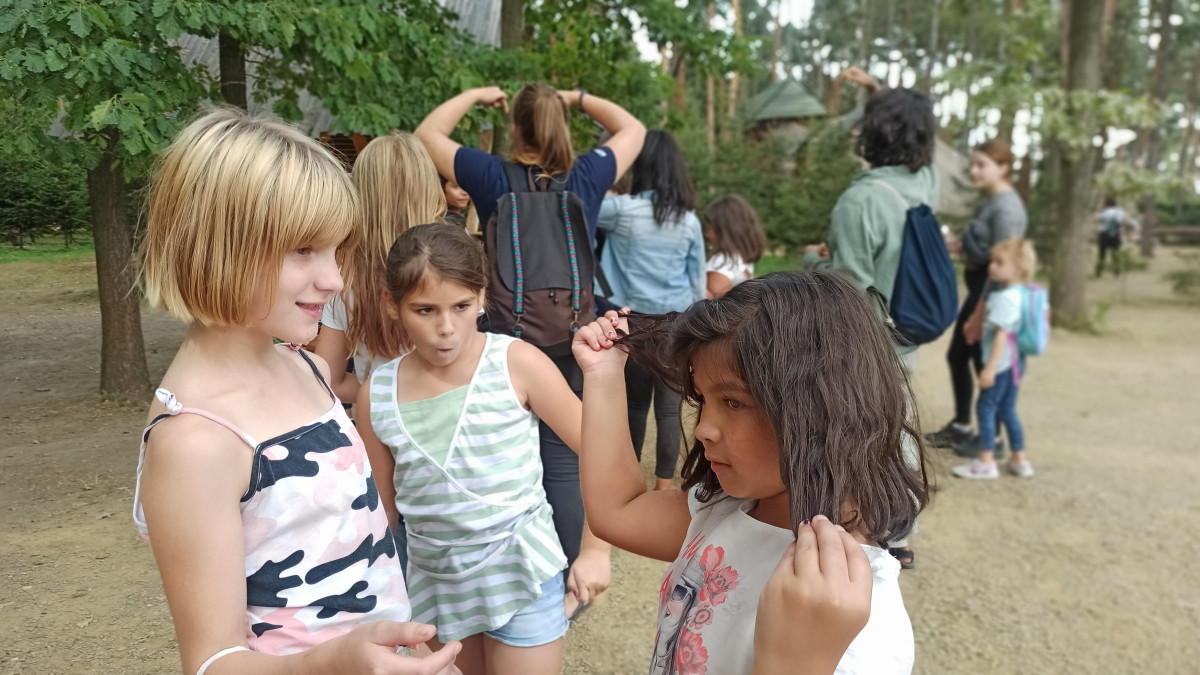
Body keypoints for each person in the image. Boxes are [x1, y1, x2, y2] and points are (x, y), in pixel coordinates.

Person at [133, 109, 461, 674]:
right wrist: (332, 664)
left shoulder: (302, 365)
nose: (334, 279)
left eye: (336, 251)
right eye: (303, 250)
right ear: (219, 245)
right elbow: (213, 663)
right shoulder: (196, 441)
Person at [573, 270, 929, 675]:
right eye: (704, 399)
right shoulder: (725, 509)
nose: (703, 427)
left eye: (734, 402)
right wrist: (602, 375)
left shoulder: (860, 626)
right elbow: (617, 510)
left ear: (821, 410)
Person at [415, 83, 646, 617]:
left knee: (506, 456)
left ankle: (504, 586)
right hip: (573, 342)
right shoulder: (588, 175)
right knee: (566, 460)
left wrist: (474, 95)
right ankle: (570, 583)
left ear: (515, 128)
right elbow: (634, 129)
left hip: (507, 345)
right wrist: (581, 96)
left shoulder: (491, 176)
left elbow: (428, 133)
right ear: (559, 127)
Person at [358, 222, 588, 674]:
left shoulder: (517, 363)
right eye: (424, 310)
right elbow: (383, 510)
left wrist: (596, 549)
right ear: (392, 304)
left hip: (520, 571)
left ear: (482, 297)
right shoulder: (376, 394)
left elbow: (597, 451)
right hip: (435, 584)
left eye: (461, 306)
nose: (446, 328)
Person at [802, 85, 939, 570]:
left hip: (870, 337)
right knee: (896, 423)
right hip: (908, 329)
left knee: (858, 429)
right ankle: (898, 529)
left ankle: (870, 533)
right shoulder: (925, 183)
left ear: (870, 133)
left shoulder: (860, 201)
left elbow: (848, 289)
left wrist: (812, 266)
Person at [596, 129, 705, 490]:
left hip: (632, 324)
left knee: (635, 406)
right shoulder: (689, 222)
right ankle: (663, 487)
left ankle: (630, 484)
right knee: (670, 410)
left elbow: (581, 199)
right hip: (675, 325)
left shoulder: (618, 211)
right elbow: (696, 284)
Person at [311, 133, 446, 405]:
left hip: (380, 428)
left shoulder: (344, 277)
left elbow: (329, 379)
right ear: (429, 187)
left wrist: (382, 393)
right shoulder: (452, 266)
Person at [925, 139, 1027, 454]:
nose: (974, 170)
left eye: (982, 164)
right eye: (973, 163)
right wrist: (959, 245)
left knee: (982, 360)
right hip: (981, 290)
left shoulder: (1007, 208)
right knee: (961, 357)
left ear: (1004, 168)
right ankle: (962, 425)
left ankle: (991, 438)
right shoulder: (991, 202)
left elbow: (1003, 264)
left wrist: (980, 311)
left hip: (991, 294)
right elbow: (985, 251)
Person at [952, 238, 1037, 480]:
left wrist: (989, 369)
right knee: (1008, 409)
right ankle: (1019, 459)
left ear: (1019, 269)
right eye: (993, 262)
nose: (992, 267)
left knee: (986, 407)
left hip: (1000, 364)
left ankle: (986, 460)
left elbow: (1002, 335)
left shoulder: (1004, 298)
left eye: (1000, 263)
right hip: (1015, 363)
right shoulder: (1021, 293)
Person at [703, 194, 767, 299]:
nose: (707, 235)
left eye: (709, 229)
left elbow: (715, 310)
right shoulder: (742, 258)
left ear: (724, 231)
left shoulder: (721, 263)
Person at [1095, 195, 1138, 277]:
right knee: (1115, 254)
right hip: (1115, 234)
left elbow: (1096, 220)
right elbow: (1126, 220)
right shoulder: (1119, 211)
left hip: (1104, 234)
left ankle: (1098, 272)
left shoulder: (1103, 211)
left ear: (1105, 204)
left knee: (1101, 254)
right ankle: (1116, 272)